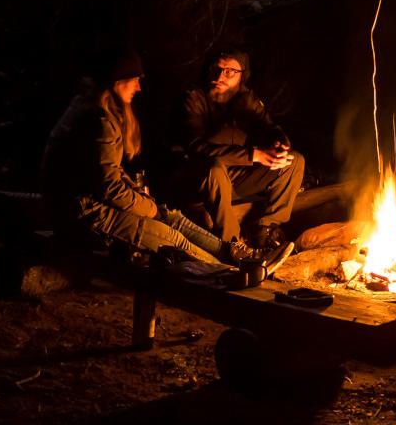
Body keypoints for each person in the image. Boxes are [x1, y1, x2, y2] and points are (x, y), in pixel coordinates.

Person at [41, 50, 291, 271]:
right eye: (135, 80)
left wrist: (141, 196)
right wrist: (146, 207)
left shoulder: (101, 112)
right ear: (118, 81)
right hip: (84, 213)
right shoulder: (99, 120)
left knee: (171, 217)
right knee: (173, 238)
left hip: (95, 204)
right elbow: (108, 187)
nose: (138, 87)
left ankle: (238, 255)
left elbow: (110, 173)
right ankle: (231, 270)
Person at [178, 48, 304, 250]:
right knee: (214, 168)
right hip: (199, 181)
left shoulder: (246, 100)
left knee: (294, 161)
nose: (220, 76)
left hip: (235, 178)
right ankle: (233, 245)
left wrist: (280, 143)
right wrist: (253, 155)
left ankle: (265, 228)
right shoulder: (193, 98)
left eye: (229, 71)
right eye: (217, 69)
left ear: (242, 76)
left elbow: (269, 128)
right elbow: (196, 148)